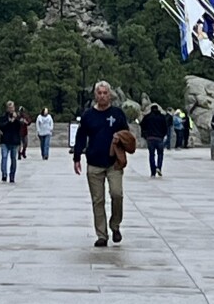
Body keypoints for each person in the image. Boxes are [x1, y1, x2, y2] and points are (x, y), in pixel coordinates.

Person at [73, 81, 132, 247]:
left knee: (116, 194)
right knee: (97, 200)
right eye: (99, 93)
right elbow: (80, 137)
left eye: (105, 93)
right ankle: (102, 234)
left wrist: (120, 139)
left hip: (114, 162)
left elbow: (127, 135)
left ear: (110, 94)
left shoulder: (118, 114)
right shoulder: (88, 116)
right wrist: (77, 157)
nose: (102, 96)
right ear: (95, 95)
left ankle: (115, 225)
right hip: (94, 162)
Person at [139, 103, 170, 177]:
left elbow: (142, 125)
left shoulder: (147, 117)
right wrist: (163, 135)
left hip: (150, 138)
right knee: (160, 154)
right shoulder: (162, 117)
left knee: (151, 155)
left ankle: (153, 171)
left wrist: (145, 135)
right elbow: (165, 128)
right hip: (159, 138)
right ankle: (159, 167)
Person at [0, 100, 21, 183]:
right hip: (5, 140)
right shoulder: (3, 117)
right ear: (7, 108)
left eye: (12, 107)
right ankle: (4, 174)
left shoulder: (17, 117)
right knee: (4, 157)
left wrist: (16, 119)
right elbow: (1, 126)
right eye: (9, 107)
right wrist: (9, 121)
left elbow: (20, 127)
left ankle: (12, 175)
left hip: (14, 140)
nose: (11, 109)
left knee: (13, 158)